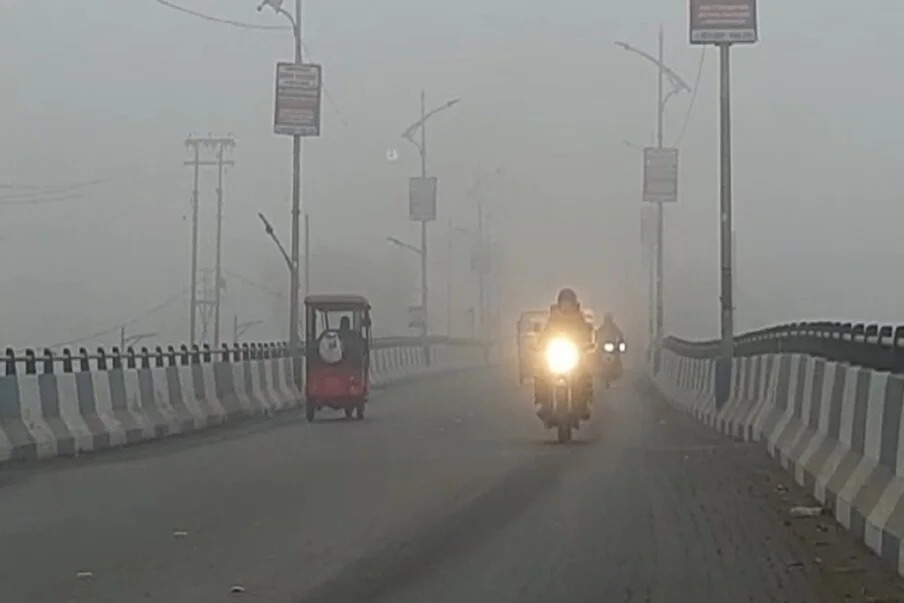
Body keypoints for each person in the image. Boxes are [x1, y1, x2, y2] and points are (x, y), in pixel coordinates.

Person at [534, 288, 594, 423]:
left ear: (574, 303)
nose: (566, 306)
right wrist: (540, 344)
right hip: (556, 354)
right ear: (559, 303)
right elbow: (546, 333)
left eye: (569, 303)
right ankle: (544, 404)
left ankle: (583, 404)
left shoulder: (579, 317)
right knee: (541, 374)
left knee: (584, 374)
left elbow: (586, 332)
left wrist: (587, 343)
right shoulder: (553, 317)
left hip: (575, 355)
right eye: (564, 303)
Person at [597, 312, 625, 382]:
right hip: (603, 346)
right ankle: (599, 370)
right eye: (607, 320)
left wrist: (621, 340)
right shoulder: (602, 327)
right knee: (597, 356)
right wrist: (597, 341)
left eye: (609, 320)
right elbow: (597, 333)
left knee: (617, 355)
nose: (608, 321)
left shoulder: (614, 327)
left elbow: (619, 333)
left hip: (612, 346)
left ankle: (618, 369)